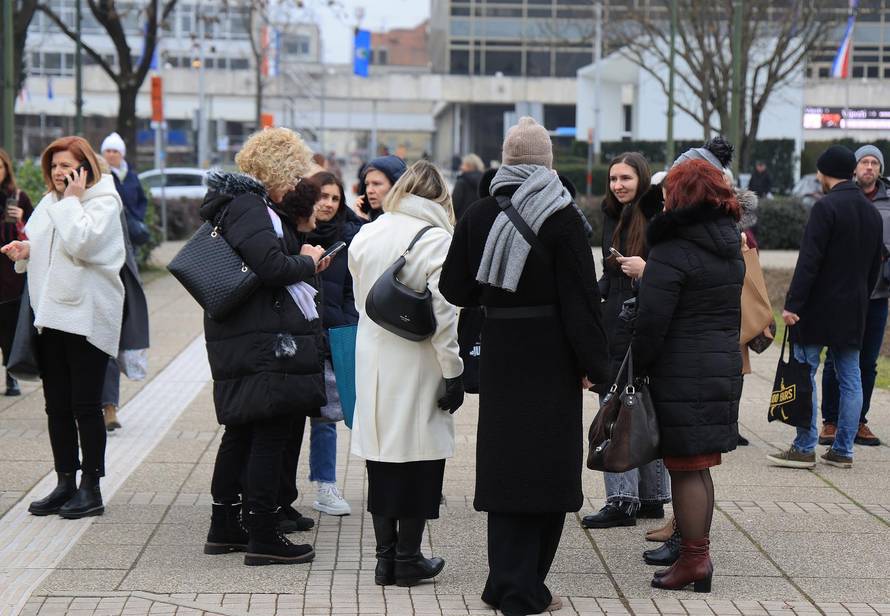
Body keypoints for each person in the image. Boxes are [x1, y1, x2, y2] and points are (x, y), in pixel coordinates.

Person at [440, 116, 609, 615]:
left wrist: (493, 292)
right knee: (548, 470)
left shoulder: (477, 212)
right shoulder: (562, 215)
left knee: (505, 467)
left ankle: (504, 581)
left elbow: (454, 289)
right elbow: (583, 302)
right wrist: (595, 366)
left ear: (506, 161)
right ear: (548, 163)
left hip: (501, 354)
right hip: (551, 357)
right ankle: (524, 587)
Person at [201, 128, 329, 566]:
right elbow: (271, 267)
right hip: (262, 340)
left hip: (244, 334)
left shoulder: (238, 205)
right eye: (293, 173)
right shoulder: (250, 207)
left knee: (242, 430)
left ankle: (225, 526)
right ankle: (262, 534)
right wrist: (308, 261)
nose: (296, 184)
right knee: (269, 433)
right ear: (277, 169)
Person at [630, 158, 744, 592]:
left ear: (679, 196)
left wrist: (635, 366)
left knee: (685, 467)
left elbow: (652, 321)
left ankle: (695, 560)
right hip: (718, 367)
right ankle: (697, 557)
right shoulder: (728, 244)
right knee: (699, 467)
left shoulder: (673, 249)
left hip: (681, 371)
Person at [349, 160, 464, 588]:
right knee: (421, 459)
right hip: (419, 361)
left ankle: (384, 560)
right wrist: (453, 370)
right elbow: (445, 311)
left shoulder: (368, 231)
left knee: (380, 458)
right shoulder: (437, 239)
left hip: (372, 356)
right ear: (438, 196)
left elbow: (359, 292)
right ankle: (409, 556)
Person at [2, 136, 125, 519]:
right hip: (50, 317)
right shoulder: (49, 203)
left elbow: (84, 244)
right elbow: (47, 246)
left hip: (86, 319)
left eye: (67, 164)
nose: (59, 172)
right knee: (56, 405)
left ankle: (92, 487)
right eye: (54, 165)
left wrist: (72, 201)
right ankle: (64, 482)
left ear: (85, 167)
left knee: (85, 406)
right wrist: (25, 253)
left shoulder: (104, 202)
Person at [768, 145, 883, 470]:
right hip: (854, 308)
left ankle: (804, 446)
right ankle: (843, 450)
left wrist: (793, 304)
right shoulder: (871, 212)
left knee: (805, 372)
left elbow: (809, 261)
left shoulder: (825, 208)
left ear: (824, 171)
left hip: (817, 308)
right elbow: (875, 267)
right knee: (851, 377)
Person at [581, 152, 670, 532]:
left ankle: (627, 499)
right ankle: (644, 498)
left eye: (626, 179)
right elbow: (608, 275)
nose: (618, 185)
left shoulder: (655, 218)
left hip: (640, 321)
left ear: (642, 180)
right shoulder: (611, 215)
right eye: (614, 178)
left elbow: (671, 273)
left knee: (623, 407)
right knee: (633, 405)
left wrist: (645, 270)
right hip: (615, 320)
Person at [819, 145, 890, 447]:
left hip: (878, 294)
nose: (869, 167)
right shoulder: (841, 199)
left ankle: (859, 420)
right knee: (836, 359)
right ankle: (831, 421)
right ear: (854, 168)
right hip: (844, 296)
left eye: (875, 163)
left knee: (867, 362)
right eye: (864, 162)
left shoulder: (888, 203)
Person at [304, 171, 361, 516]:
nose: (327, 203)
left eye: (335, 198)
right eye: (322, 196)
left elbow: (358, 289)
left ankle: (326, 485)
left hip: (335, 335)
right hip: (298, 338)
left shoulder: (352, 238)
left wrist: (349, 325)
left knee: (327, 417)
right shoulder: (295, 234)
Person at [99, 132, 150, 431]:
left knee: (108, 346)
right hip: (77, 289)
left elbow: (141, 201)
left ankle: (109, 407)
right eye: (107, 152)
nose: (111, 156)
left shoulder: (129, 178)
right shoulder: (69, 202)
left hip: (115, 276)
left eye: (115, 151)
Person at [0, 148, 34, 397]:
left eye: (0, 167)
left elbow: (36, 232)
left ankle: (11, 377)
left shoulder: (18, 197)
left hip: (11, 273)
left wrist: (22, 219)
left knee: (10, 328)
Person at [354, 155, 407, 222]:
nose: (369, 191)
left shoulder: (402, 221)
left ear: (395, 186)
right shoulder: (372, 217)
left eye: (376, 184)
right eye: (367, 184)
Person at [451, 153, 485, 221]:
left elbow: (454, 204)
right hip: (479, 220)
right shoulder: (484, 181)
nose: (461, 167)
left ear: (470, 166)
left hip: (462, 221)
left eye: (463, 164)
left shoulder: (462, 181)